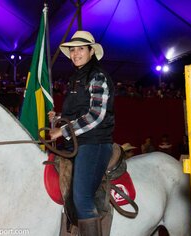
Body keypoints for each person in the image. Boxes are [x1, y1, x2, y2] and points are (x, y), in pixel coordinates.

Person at [48, 30, 114, 235]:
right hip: (78, 142)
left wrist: (63, 131)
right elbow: (78, 112)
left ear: (91, 51)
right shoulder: (76, 78)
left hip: (94, 142)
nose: (76, 54)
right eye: (73, 50)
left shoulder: (98, 77)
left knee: (81, 197)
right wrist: (57, 117)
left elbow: (95, 115)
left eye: (80, 49)